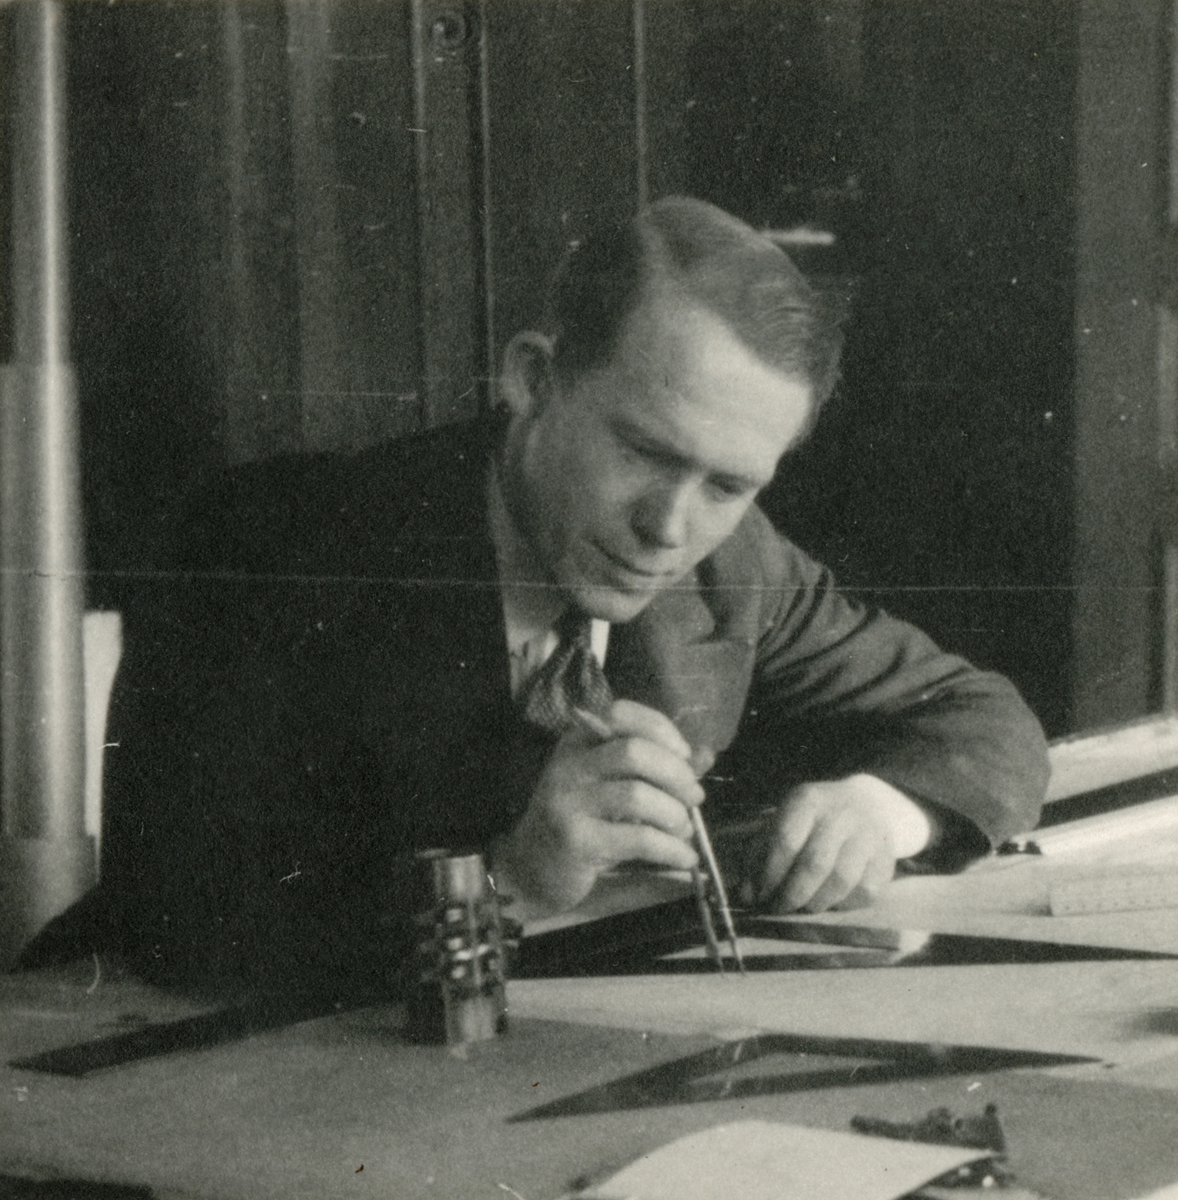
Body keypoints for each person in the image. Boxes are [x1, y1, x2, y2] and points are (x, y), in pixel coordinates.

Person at [42, 196, 1048, 991]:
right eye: (643, 450)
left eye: (728, 486)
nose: (670, 528)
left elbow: (983, 717)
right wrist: (505, 880)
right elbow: (174, 923)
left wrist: (881, 811)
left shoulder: (733, 565)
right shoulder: (276, 544)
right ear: (532, 379)